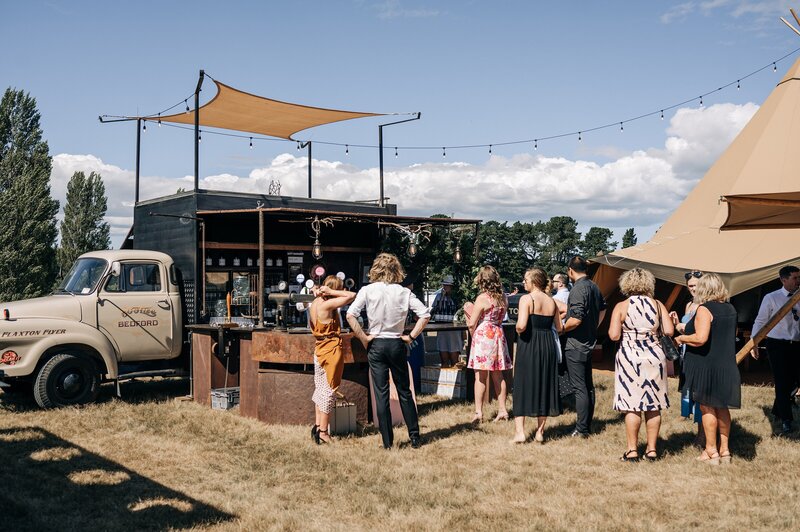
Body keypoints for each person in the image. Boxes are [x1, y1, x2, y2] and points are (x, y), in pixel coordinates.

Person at [346, 253, 430, 449]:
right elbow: (424, 314)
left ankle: (387, 441)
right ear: (396, 270)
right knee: (404, 391)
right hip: (396, 343)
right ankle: (415, 437)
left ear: (376, 269)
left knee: (381, 394)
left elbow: (351, 315)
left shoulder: (367, 290)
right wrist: (411, 337)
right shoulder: (403, 292)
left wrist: (364, 337)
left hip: (376, 343)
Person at [675, 273, 741, 465]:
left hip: (706, 365)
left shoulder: (704, 309)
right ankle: (725, 451)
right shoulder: (730, 308)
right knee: (722, 407)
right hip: (726, 365)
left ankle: (711, 451)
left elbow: (701, 338)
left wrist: (682, 338)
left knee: (707, 407)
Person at [608, 268, 673, 461]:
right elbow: (668, 331)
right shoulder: (658, 304)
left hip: (630, 358)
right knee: (653, 405)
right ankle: (652, 450)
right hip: (654, 356)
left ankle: (632, 450)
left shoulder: (622, 306)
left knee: (632, 405)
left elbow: (613, 335)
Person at [511, 268, 562, 444]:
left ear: (534, 282)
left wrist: (517, 327)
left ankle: (520, 433)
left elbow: (521, 326)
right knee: (544, 384)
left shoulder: (527, 299)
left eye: (526, 280)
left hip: (529, 344)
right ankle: (540, 432)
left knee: (522, 385)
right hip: (547, 346)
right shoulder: (552, 301)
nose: (524, 283)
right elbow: (560, 328)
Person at [750, 265, 800, 436]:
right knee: (781, 380)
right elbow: (760, 321)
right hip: (777, 345)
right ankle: (787, 420)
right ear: (783, 280)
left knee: (794, 380)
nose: (797, 281)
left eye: (798, 277)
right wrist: (753, 343)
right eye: (794, 278)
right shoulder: (771, 298)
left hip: (797, 344)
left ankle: (778, 410)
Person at [562, 256, 607, 438]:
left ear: (570, 270)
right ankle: (586, 424)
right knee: (588, 386)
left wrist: (561, 329)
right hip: (588, 342)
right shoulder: (594, 286)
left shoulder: (578, 289)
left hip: (576, 344)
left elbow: (576, 318)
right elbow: (603, 308)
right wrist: (594, 326)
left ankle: (581, 429)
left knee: (580, 387)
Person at [309, 276, 356, 444]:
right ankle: (323, 432)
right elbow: (352, 296)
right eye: (339, 288)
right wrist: (333, 292)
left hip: (319, 350)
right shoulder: (327, 304)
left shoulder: (315, 303)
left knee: (320, 389)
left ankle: (316, 427)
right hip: (331, 350)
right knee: (330, 391)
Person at [465, 265, 512, 424]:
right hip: (498, 333)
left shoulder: (482, 298)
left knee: (480, 376)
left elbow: (472, 323)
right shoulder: (504, 297)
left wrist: (473, 333)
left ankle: (479, 412)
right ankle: (503, 410)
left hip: (484, 335)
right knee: (499, 375)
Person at [669, 270, 704, 447]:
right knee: (689, 389)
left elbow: (699, 332)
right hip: (686, 352)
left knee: (700, 394)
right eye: (690, 286)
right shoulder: (689, 305)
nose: (692, 289)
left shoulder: (704, 305)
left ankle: (702, 435)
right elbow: (686, 330)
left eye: (695, 286)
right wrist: (677, 324)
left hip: (699, 352)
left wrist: (683, 328)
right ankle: (696, 427)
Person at [430, 275, 463, 367]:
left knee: (454, 359)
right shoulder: (439, 296)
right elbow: (434, 310)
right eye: (444, 285)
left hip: (454, 329)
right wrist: (442, 297)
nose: (445, 287)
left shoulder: (457, 297)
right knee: (443, 357)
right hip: (441, 328)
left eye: (447, 285)